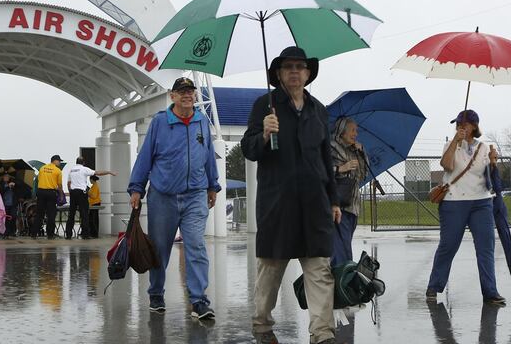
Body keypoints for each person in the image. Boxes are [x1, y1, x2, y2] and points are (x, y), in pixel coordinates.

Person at [241, 46, 340, 344]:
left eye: (300, 67)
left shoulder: (318, 110)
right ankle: (262, 325)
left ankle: (322, 333)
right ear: (279, 74)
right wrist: (265, 134)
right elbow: (249, 148)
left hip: (314, 203)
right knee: (270, 269)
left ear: (308, 73)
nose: (295, 72)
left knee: (319, 269)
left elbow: (327, 158)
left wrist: (333, 199)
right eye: (288, 67)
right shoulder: (264, 106)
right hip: (278, 203)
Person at [128, 76, 221, 321]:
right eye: (181, 92)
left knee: (196, 246)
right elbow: (145, 156)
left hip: (195, 195)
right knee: (160, 248)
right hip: (163, 196)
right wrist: (136, 188)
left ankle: (199, 300)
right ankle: (156, 293)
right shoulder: (160, 122)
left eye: (190, 91)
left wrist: (213, 185)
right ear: (173, 96)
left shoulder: (202, 122)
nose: (187, 95)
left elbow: (209, 155)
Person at [426, 110, 506, 306]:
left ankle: (490, 292)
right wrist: (455, 141)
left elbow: (489, 177)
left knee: (486, 248)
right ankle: (434, 286)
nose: (460, 126)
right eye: (458, 123)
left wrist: (494, 162)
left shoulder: (484, 147)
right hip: (454, 202)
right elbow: (446, 165)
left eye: (464, 123)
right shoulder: (451, 145)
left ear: (474, 126)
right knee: (448, 245)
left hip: (482, 202)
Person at [330, 117, 370, 267]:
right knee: (342, 250)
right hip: (338, 206)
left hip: (352, 206)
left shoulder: (355, 150)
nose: (356, 134)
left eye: (356, 131)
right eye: (353, 130)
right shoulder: (331, 147)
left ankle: (340, 281)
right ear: (342, 131)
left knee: (344, 246)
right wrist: (341, 168)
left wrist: (361, 153)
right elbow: (322, 172)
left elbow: (362, 175)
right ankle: (344, 282)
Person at [65, 157, 115, 239]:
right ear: (83, 163)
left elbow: (69, 183)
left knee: (71, 214)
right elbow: (97, 172)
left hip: (73, 193)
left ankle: (68, 234)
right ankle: (85, 235)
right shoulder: (84, 169)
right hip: (82, 193)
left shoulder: (71, 170)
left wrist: (71, 192)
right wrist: (109, 172)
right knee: (84, 215)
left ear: (76, 162)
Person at [31, 155, 65, 239]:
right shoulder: (58, 171)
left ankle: (34, 233)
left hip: (41, 192)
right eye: (59, 161)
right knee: (51, 214)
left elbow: (38, 180)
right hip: (51, 193)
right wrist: (61, 195)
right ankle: (50, 234)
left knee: (39, 214)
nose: (60, 163)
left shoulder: (42, 168)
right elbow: (59, 185)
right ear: (55, 161)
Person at [0, 173, 19, 238]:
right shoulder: (0, 184)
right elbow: (1, 191)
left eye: (8, 176)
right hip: (4, 204)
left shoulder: (14, 182)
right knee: (5, 218)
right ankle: (5, 232)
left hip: (13, 203)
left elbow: (20, 189)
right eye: (5, 176)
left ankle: (12, 231)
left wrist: (14, 185)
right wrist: (7, 186)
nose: (6, 177)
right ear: (3, 177)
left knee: (13, 216)